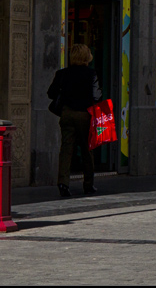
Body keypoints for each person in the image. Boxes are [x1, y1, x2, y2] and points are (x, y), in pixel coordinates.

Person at [48, 43, 103, 197]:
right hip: (85, 114)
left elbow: (51, 93)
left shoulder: (62, 74)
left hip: (67, 114)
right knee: (87, 150)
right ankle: (88, 184)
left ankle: (63, 183)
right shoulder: (91, 74)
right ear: (87, 57)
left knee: (66, 149)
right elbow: (97, 96)